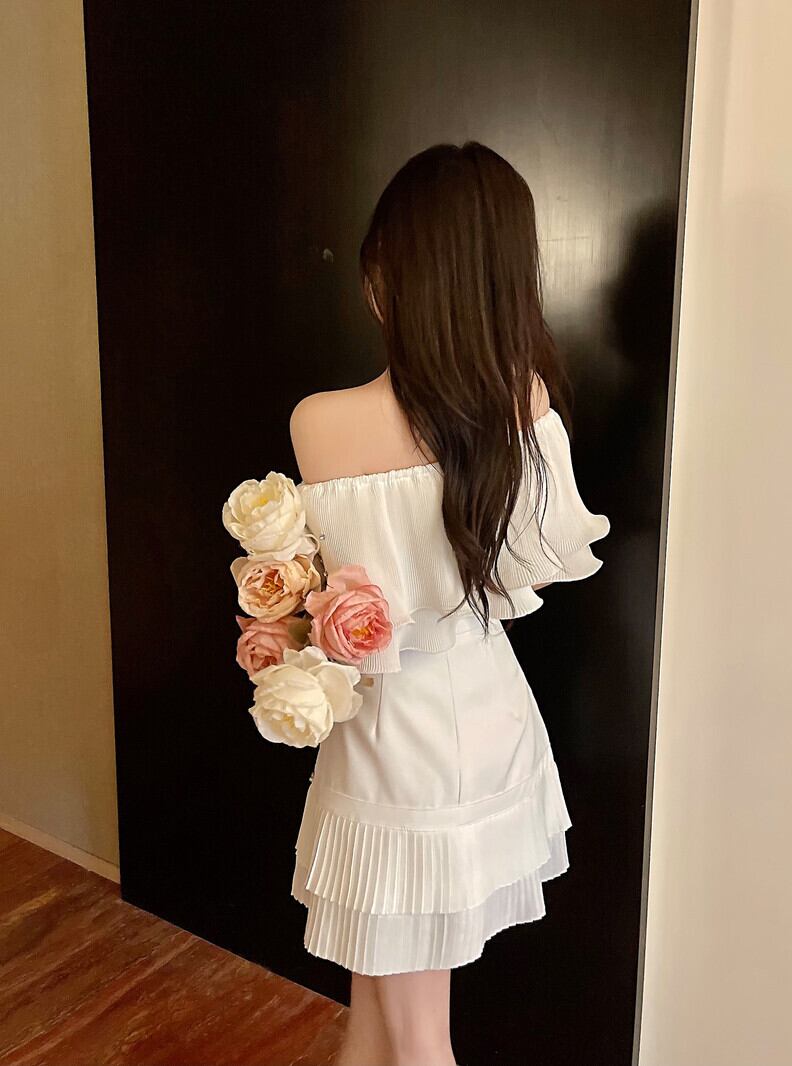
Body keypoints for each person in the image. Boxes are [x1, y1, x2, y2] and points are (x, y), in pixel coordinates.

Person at [289, 142, 610, 1066]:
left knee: (421, 1036)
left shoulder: (320, 423)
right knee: (378, 995)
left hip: (394, 741)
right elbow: (536, 570)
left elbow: (341, 582)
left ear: (389, 275)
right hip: (487, 717)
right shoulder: (523, 406)